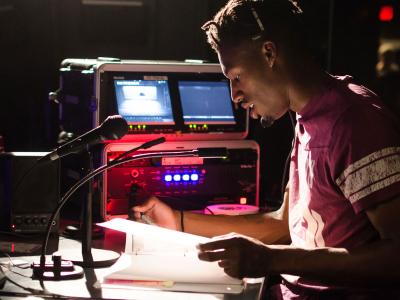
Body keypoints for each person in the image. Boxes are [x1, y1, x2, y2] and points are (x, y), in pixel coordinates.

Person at [132, 0, 400, 298]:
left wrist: (272, 260)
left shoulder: (354, 122)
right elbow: (285, 224)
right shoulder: (307, 116)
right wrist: (178, 221)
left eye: (236, 77)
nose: (234, 95)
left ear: (269, 53)